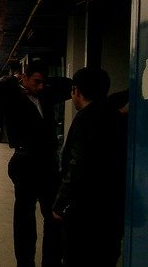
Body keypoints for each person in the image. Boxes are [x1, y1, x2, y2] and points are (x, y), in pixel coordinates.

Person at [52, 67, 126, 266]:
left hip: (85, 210)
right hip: (113, 209)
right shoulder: (115, 115)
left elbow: (77, 166)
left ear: (76, 90)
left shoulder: (85, 119)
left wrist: (60, 203)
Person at [0, 61, 63, 267]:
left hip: (48, 163)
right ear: (24, 78)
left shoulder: (45, 96)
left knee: (53, 215)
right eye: (36, 81)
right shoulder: (13, 97)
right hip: (25, 162)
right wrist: (15, 78)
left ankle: (51, 261)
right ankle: (25, 262)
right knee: (25, 218)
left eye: (43, 82)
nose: (40, 86)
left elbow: (66, 84)